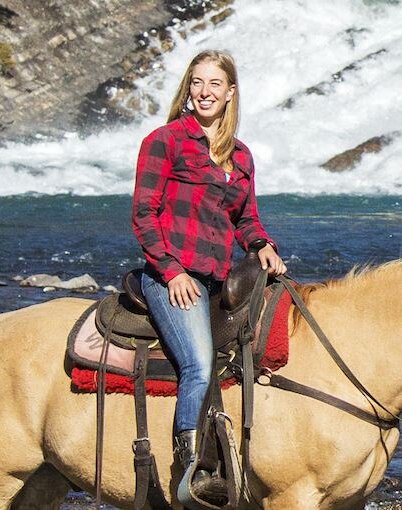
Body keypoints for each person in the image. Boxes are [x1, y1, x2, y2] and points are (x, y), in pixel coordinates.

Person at [131, 49, 286, 500]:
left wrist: (262, 245)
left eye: (215, 84)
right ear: (188, 87)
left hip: (218, 280)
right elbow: (144, 213)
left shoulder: (240, 156)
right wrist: (171, 270)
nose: (205, 92)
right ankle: (191, 469)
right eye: (197, 82)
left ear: (230, 92)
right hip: (171, 277)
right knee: (199, 365)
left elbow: (246, 220)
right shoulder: (165, 141)